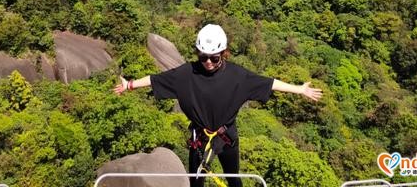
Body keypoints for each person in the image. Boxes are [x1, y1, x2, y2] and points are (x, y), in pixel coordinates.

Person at [113, 23, 323, 187]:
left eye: (214, 58)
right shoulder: (186, 74)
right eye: (203, 57)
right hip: (200, 137)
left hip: (227, 137)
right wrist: (130, 85)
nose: (208, 63)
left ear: (224, 53)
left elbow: (268, 83)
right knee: (196, 181)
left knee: (233, 179)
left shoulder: (238, 76)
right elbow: (156, 79)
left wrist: (299, 89)